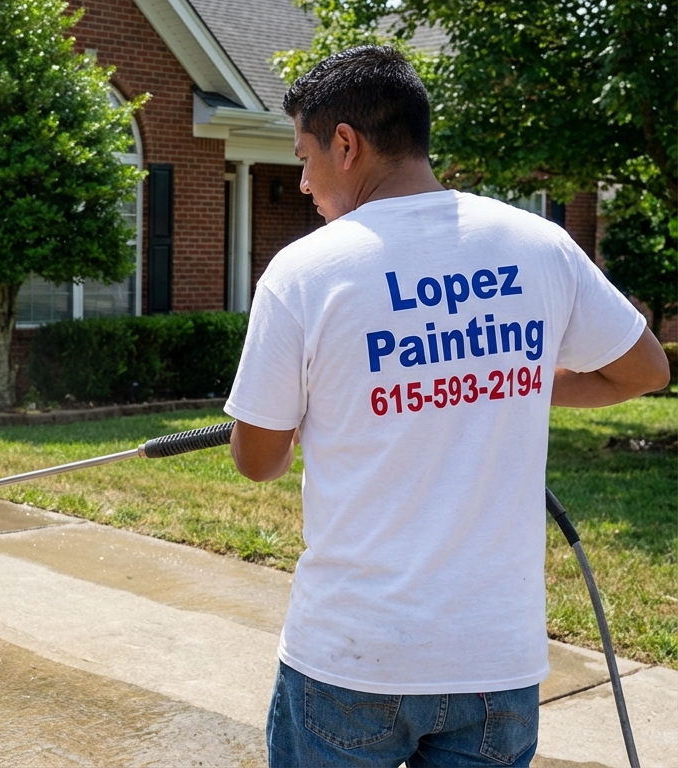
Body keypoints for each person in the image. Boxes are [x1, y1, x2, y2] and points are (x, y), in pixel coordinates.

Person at [223, 46, 670, 767]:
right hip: (496, 665)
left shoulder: (306, 271)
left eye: (304, 158)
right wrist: (504, 373)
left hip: (353, 661)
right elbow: (645, 370)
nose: (302, 183)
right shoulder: (540, 246)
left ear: (346, 145)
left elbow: (258, 460)